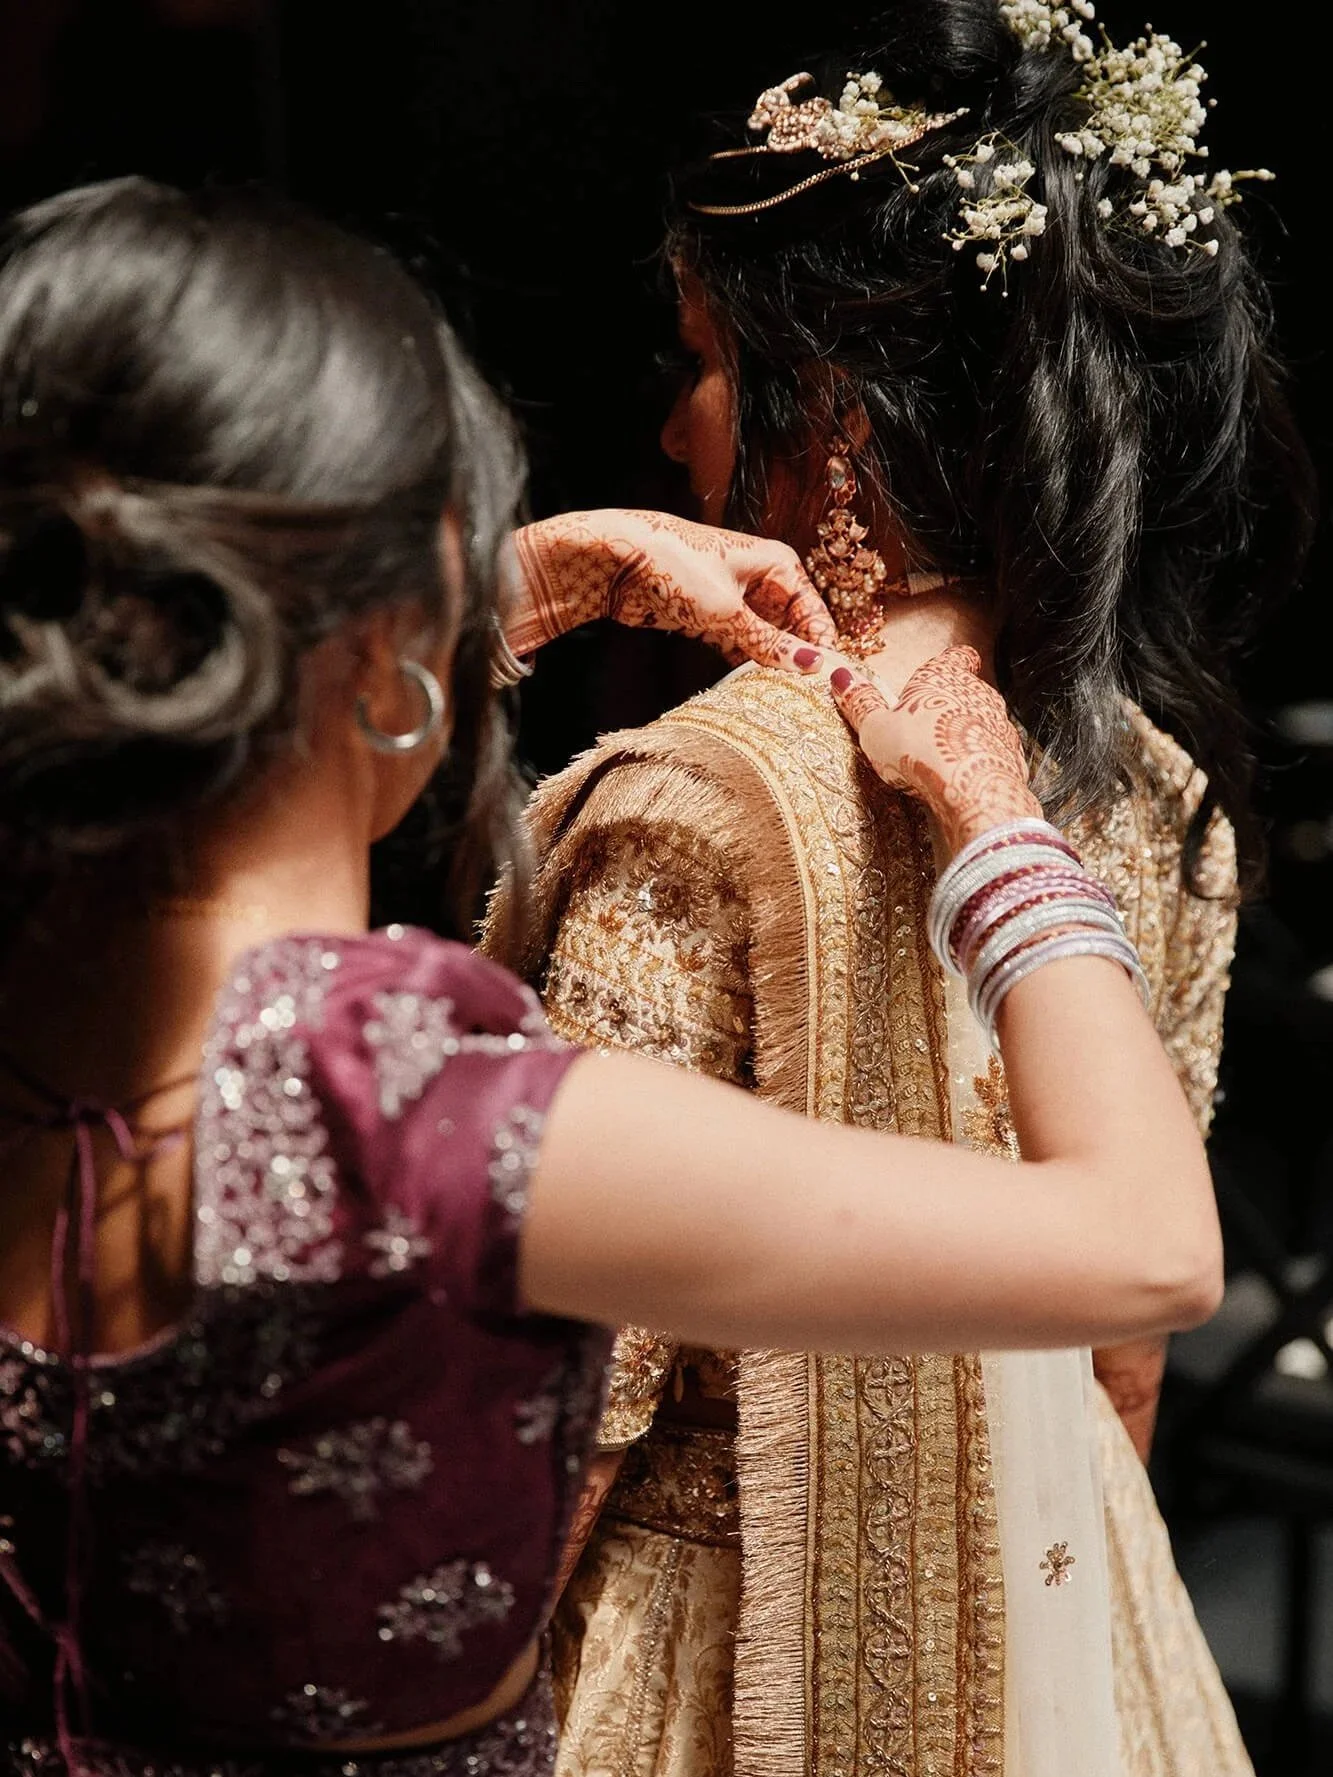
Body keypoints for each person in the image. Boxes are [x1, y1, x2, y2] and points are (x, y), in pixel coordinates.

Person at [0, 178, 1221, 1777]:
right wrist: (996, 819)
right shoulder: (412, 1119)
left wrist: (485, 594)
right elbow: (1145, 1249)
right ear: (384, 640)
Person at [487, 5, 1314, 1776]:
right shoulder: (1152, 791)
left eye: (707, 361)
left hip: (715, 1651)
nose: (679, 427)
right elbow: (1123, 1369)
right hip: (1074, 1610)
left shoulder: (690, 812)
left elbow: (565, 1400)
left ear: (836, 410)